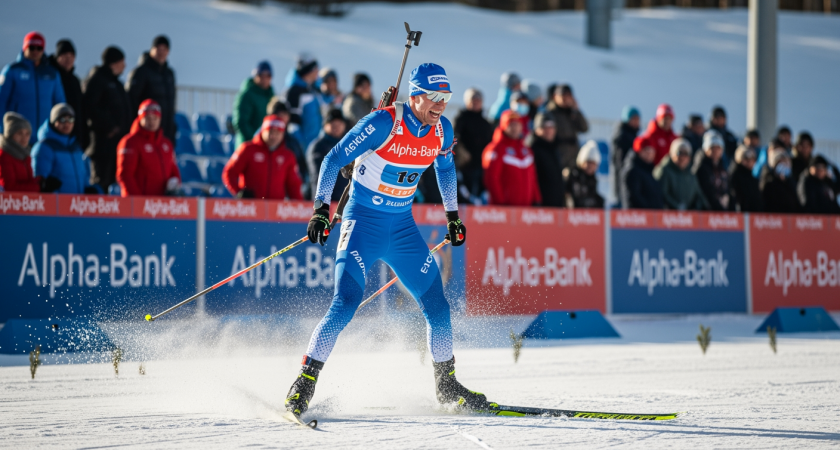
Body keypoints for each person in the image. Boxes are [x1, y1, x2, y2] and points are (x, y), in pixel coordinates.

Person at [284, 63, 486, 420]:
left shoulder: (443, 129)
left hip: (402, 228)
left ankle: (447, 385)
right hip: (363, 223)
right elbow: (333, 158)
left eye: (446, 97)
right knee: (345, 303)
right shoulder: (383, 122)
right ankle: (304, 382)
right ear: (416, 95)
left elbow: (445, 169)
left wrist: (453, 216)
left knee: (438, 306)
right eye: (434, 96)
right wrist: (320, 210)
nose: (441, 104)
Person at [0, 32, 66, 145]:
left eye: (39, 48)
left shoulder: (52, 73)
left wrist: (61, 129)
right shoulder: (12, 71)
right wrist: (3, 130)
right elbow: (1, 101)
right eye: (32, 47)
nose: (35, 51)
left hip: (45, 137)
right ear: (25, 48)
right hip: (18, 136)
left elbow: (60, 104)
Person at [83, 46, 132, 190]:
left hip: (117, 143)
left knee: (113, 183)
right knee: (101, 182)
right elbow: (90, 107)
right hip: (102, 144)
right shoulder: (98, 80)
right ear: (114, 63)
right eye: (122, 61)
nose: (125, 65)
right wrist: (110, 127)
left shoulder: (116, 83)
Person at [223, 114, 302, 200]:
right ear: (263, 131)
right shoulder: (248, 149)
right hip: (251, 205)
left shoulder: (288, 156)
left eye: (278, 133)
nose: (274, 136)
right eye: (271, 132)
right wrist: (239, 192)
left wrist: (299, 204)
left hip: (275, 206)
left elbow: (293, 185)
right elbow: (229, 173)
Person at [116, 99, 180, 196]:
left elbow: (173, 169)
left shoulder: (166, 144)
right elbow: (125, 175)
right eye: (148, 118)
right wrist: (138, 201)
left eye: (155, 118)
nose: (152, 122)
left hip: (162, 202)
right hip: (139, 202)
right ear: (140, 118)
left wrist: (175, 182)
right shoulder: (130, 142)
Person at [31, 104, 99, 194]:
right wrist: (45, 186)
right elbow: (38, 178)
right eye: (62, 119)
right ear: (53, 121)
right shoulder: (44, 147)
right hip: (56, 201)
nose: (67, 123)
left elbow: (84, 174)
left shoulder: (75, 147)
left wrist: (87, 188)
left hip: (76, 201)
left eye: (70, 119)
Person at [482, 110, 541, 206]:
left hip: (526, 209)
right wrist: (500, 202)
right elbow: (491, 178)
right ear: (504, 126)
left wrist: (536, 199)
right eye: (511, 124)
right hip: (505, 209)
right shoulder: (496, 149)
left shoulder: (526, 150)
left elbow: (532, 178)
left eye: (518, 124)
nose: (515, 128)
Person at [125, 35, 176, 143]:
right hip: (145, 130)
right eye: (159, 48)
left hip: (165, 130)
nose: (161, 52)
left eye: (165, 49)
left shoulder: (169, 74)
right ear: (152, 49)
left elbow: (171, 102)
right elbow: (131, 99)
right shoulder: (141, 71)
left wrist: (172, 128)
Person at [0, 112, 60, 192]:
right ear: (10, 135)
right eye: (19, 133)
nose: (24, 138)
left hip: (24, 199)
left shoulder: (25, 155)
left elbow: (27, 181)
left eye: (27, 134)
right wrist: (39, 188)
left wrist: (41, 181)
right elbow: (9, 187)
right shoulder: (4, 155)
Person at [47, 39, 88, 150]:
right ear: (57, 57)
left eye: (71, 56)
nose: (68, 59)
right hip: (55, 133)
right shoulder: (50, 78)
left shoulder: (75, 80)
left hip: (74, 136)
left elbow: (81, 109)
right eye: (64, 56)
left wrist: (83, 134)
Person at [452, 88, 493, 199]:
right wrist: (461, 153)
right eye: (473, 100)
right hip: (465, 166)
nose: (476, 102)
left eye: (478, 100)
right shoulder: (460, 119)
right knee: (465, 194)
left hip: (481, 165)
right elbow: (454, 138)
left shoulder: (485, 123)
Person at [654, 138, 707, 211]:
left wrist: (695, 209)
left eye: (686, 154)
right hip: (667, 214)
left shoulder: (691, 173)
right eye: (679, 153)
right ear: (672, 154)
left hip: (688, 215)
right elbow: (662, 194)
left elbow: (698, 195)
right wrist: (677, 207)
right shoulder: (664, 170)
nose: (682, 157)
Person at [306, 109, 347, 202]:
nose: (336, 127)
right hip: (325, 201)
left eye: (339, 124)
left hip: (345, 201)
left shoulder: (349, 145)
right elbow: (318, 175)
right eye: (333, 124)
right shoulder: (317, 147)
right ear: (325, 125)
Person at [545, 84, 588, 169]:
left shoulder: (572, 112)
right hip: (558, 156)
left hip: (574, 156)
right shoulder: (550, 113)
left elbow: (584, 128)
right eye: (563, 95)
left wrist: (576, 110)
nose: (565, 99)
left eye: (568, 96)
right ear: (555, 96)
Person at [233, 60, 275, 148]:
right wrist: (254, 140)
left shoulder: (271, 95)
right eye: (261, 76)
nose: (264, 79)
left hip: (264, 145)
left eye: (268, 76)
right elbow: (240, 122)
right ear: (255, 76)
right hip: (247, 145)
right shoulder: (247, 94)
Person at [284, 54, 322, 150]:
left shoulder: (313, 89)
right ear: (308, 71)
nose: (318, 71)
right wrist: (300, 147)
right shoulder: (294, 91)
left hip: (316, 143)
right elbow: (293, 125)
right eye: (315, 69)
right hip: (304, 146)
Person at [527, 112, 564, 207]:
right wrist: (536, 200)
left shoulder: (555, 148)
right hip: (540, 205)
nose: (549, 130)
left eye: (551, 127)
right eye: (544, 127)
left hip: (556, 204)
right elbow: (531, 179)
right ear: (537, 130)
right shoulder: (532, 149)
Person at [692, 130, 733, 211]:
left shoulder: (722, 167)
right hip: (706, 211)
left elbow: (728, 189)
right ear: (705, 149)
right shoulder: (700, 167)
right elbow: (703, 192)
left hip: (723, 211)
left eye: (718, 148)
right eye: (712, 148)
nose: (715, 151)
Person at [620, 137, 663, 210]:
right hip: (638, 215)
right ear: (639, 151)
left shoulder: (650, 170)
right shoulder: (632, 170)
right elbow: (634, 197)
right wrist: (650, 209)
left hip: (653, 215)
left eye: (652, 151)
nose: (650, 154)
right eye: (647, 150)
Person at [563, 140, 604, 209]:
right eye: (588, 162)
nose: (590, 166)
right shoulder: (572, 176)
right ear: (581, 162)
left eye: (593, 163)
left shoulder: (593, 180)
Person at [612, 106, 640, 204]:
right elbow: (619, 162)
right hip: (623, 176)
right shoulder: (622, 136)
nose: (636, 122)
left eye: (638, 119)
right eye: (634, 119)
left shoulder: (633, 135)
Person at [729, 145, 763, 212]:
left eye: (752, 159)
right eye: (746, 159)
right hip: (741, 214)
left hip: (753, 214)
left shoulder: (753, 176)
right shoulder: (735, 175)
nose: (750, 162)